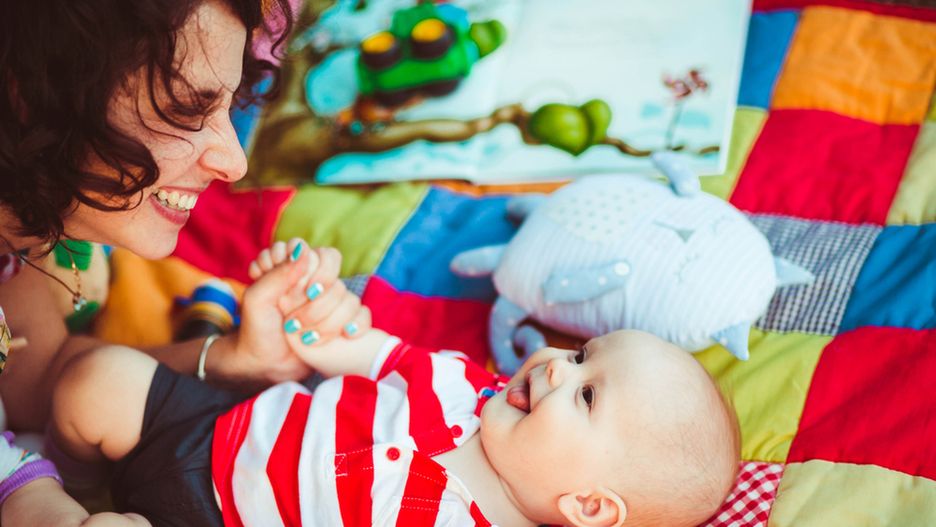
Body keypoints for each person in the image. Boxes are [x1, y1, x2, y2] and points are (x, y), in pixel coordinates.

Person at [49, 242, 741, 527]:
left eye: (589, 392)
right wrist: (308, 300)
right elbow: (357, 346)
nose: (560, 362)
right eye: (586, 350)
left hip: (221, 519)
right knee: (91, 379)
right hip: (221, 422)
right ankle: (61, 473)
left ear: (590, 505)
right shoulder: (462, 384)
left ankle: (82, 509)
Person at [0, 1, 369, 524]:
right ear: (31, 97)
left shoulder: (31, 238)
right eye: (186, 109)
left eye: (226, 108)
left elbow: (32, 378)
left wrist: (235, 359)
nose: (235, 164)